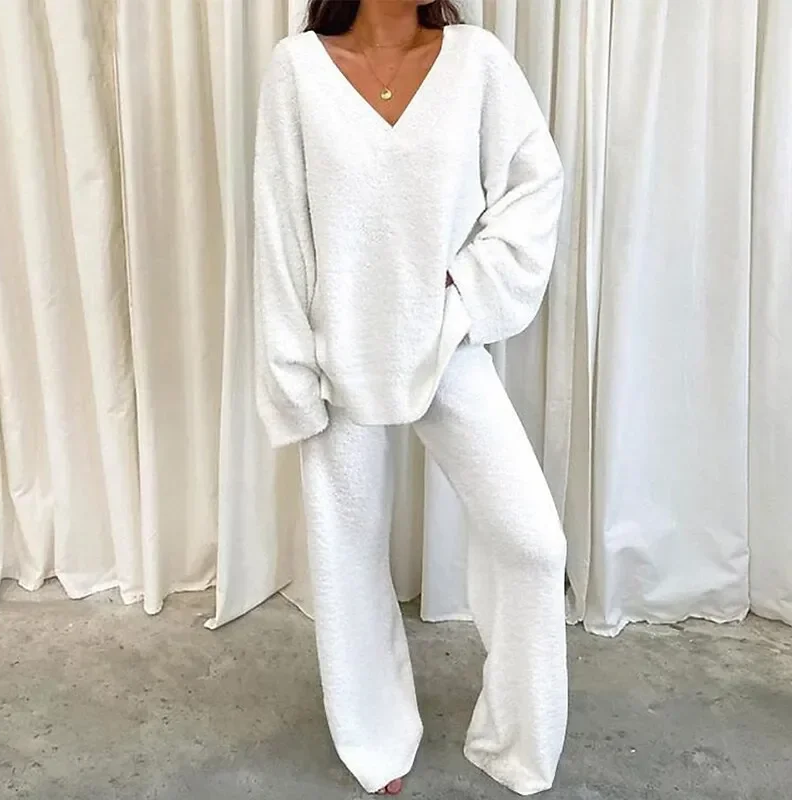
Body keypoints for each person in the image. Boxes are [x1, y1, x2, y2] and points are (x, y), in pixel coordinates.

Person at [252, 0, 567, 795]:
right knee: (348, 560)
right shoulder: (298, 72)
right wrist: (293, 372)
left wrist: (467, 291)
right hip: (338, 357)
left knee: (534, 544)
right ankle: (375, 739)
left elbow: (536, 182)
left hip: (444, 345)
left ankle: (518, 736)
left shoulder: (477, 61)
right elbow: (281, 232)